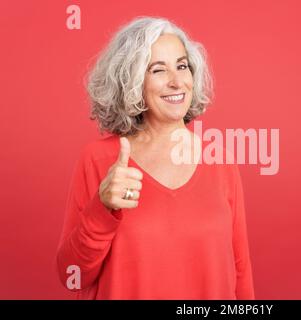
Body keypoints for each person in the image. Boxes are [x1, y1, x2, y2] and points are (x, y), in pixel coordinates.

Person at [55, 16, 255, 300]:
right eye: (158, 70)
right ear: (132, 81)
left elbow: (240, 271)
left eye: (182, 66)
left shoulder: (220, 161)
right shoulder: (99, 160)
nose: (177, 82)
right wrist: (102, 208)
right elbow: (72, 275)